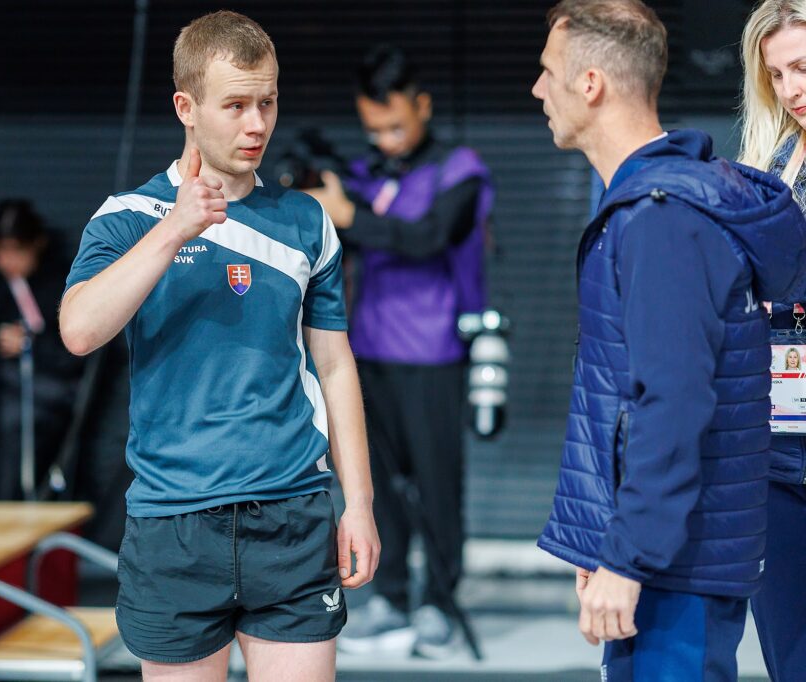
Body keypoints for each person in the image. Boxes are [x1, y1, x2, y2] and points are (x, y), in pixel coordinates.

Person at [59, 11, 379, 681]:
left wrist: (359, 504)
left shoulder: (306, 220)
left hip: (292, 516)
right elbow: (80, 331)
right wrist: (175, 228)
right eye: (235, 105)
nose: (257, 124)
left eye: (268, 102)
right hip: (173, 525)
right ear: (187, 108)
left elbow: (334, 364)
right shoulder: (129, 217)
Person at [532, 1, 806, 680]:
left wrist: (627, 555)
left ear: (590, 82)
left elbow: (673, 399)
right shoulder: (712, 188)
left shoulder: (663, 214)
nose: (537, 89)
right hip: (763, 463)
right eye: (778, 74)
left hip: (686, 540)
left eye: (547, 72)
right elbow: (625, 394)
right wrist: (604, 539)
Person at [306, 45, 493, 659]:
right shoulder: (364, 174)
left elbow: (428, 237)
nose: (385, 140)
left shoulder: (460, 171)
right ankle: (387, 597)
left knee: (436, 483)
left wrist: (349, 215)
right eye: (374, 129)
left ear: (422, 106)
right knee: (376, 485)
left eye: (395, 126)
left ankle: (438, 602)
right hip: (367, 349)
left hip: (434, 350)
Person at [738, 3, 806, 678]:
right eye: (777, 75)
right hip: (776, 437)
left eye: (803, 68)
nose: (790, 89)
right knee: (788, 653)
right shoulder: (769, 165)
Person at [0, 199, 85, 499]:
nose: (8, 261)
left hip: (47, 394)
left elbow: (76, 352)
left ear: (36, 245)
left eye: (16, 250)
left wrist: (31, 344)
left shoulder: (63, 284)